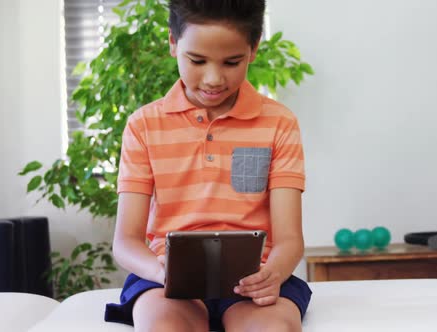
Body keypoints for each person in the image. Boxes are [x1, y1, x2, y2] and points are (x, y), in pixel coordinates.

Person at [105, 0, 311, 331]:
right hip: (167, 282)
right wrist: (161, 272)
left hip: (254, 279)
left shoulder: (279, 123)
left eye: (232, 62)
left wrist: (273, 273)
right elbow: (126, 241)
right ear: (173, 43)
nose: (213, 79)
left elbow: (289, 239)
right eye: (197, 60)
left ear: (253, 48)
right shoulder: (143, 125)